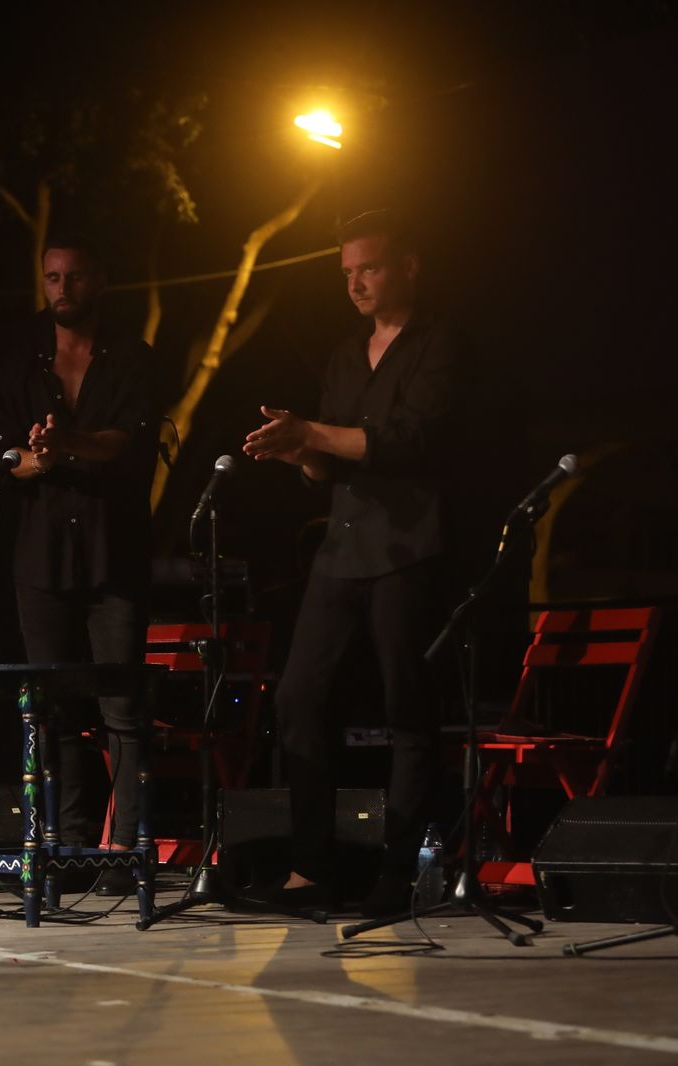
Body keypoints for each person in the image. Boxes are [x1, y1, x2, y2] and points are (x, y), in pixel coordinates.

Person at [244, 209, 461, 916]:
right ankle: (312, 870)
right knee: (298, 699)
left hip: (408, 549)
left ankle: (397, 876)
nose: (355, 283)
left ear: (408, 267)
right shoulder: (345, 354)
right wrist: (297, 448)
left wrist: (317, 434)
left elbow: (406, 442)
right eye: (346, 273)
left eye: (367, 268)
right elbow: (327, 468)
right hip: (341, 550)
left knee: (408, 713)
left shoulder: (440, 344)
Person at [0, 235, 161, 890]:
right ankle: (62, 847)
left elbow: (127, 443)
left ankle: (123, 851)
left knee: (122, 707)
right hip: (40, 557)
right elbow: (4, 459)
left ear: (101, 281)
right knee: (54, 709)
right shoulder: (19, 363)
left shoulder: (133, 360)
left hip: (112, 552)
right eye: (53, 278)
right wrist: (39, 458)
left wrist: (69, 443)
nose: (63, 290)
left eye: (76, 277)